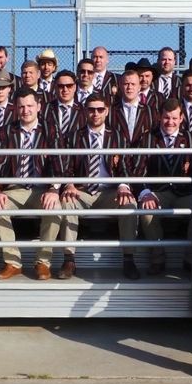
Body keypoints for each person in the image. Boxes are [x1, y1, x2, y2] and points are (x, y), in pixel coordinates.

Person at [0, 88, 63, 280]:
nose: (25, 110)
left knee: (56, 208)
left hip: (41, 189)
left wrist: (53, 189)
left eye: (29, 106)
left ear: (38, 106)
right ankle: (13, 262)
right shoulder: (7, 130)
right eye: (21, 106)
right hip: (15, 188)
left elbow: (59, 163)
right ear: (15, 108)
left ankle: (43, 262)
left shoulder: (50, 129)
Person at [61, 94, 138, 280]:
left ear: (107, 111)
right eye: (91, 109)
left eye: (100, 109)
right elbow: (67, 165)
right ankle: (69, 259)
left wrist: (122, 185)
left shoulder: (117, 136)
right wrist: (69, 184)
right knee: (66, 202)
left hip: (109, 191)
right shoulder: (74, 137)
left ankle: (128, 258)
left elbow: (125, 166)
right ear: (85, 111)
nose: (95, 113)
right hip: (83, 191)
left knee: (129, 204)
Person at [136, 98, 192, 275]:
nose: (170, 122)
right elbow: (138, 169)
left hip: (184, 193)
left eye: (174, 118)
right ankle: (157, 257)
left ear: (181, 118)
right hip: (159, 192)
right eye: (166, 118)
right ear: (159, 117)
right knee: (146, 209)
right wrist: (146, 193)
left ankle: (190, 258)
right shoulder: (148, 138)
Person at [107, 69, 158, 145]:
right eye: (126, 84)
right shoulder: (110, 111)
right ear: (120, 86)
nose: (129, 87)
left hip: (142, 155)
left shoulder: (150, 112)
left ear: (139, 87)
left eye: (133, 84)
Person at [41, 70, 86, 138]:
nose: (65, 89)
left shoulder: (83, 110)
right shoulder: (45, 110)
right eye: (61, 86)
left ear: (75, 87)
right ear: (55, 88)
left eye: (69, 86)